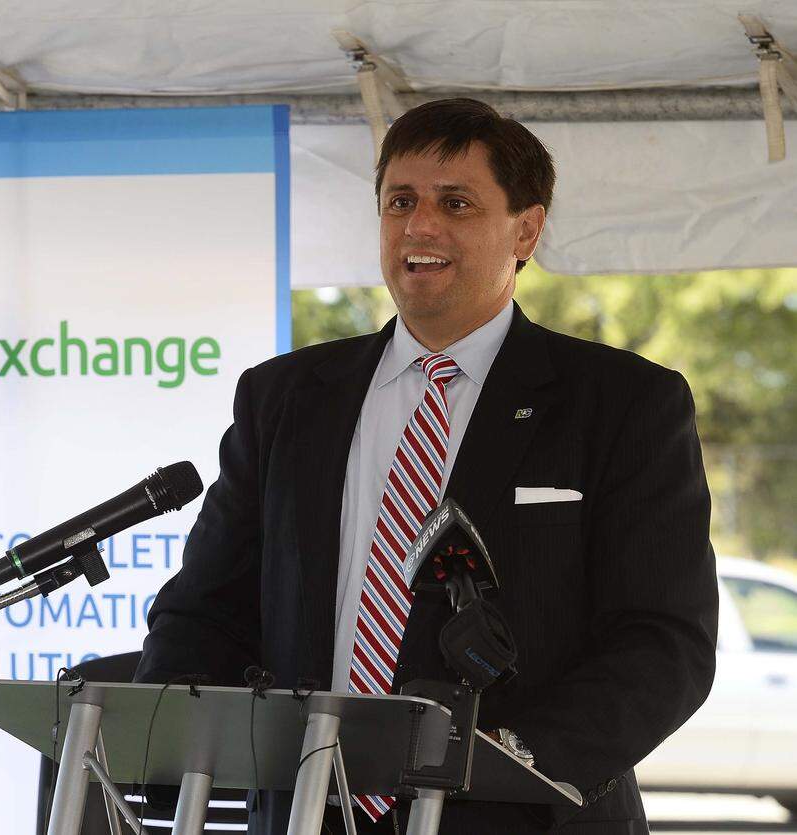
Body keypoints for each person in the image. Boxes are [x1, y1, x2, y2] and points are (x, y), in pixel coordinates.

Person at [135, 98, 718, 834]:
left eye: (456, 203)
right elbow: (205, 609)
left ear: (526, 231)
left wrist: (505, 763)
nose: (419, 227)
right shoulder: (283, 398)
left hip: (521, 819)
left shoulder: (623, 403)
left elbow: (664, 643)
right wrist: (156, 746)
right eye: (400, 201)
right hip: (309, 813)